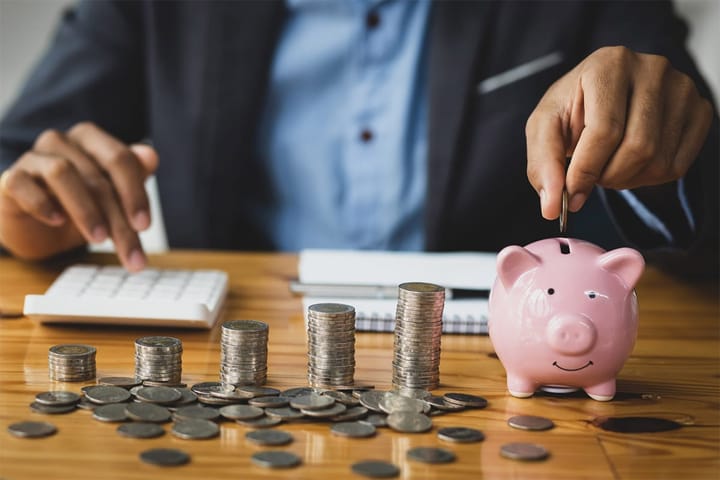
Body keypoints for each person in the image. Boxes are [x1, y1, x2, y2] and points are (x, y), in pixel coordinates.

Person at [0, 0, 717, 276]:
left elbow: (697, 175)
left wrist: (663, 155)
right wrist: (25, 216)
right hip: (245, 375)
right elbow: (17, 163)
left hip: (506, 374)